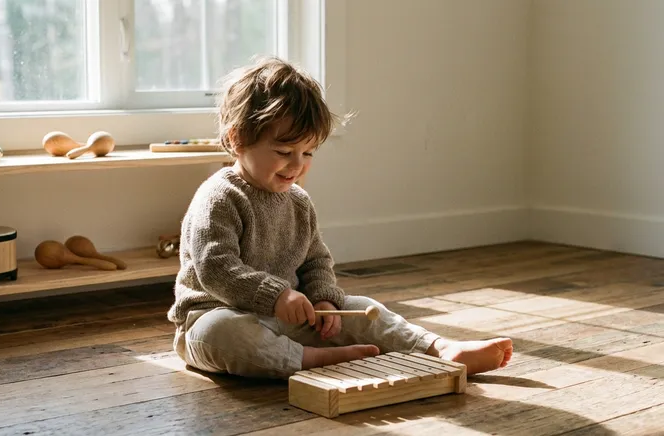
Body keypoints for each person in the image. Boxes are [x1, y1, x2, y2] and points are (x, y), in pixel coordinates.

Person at [166, 56, 512, 379]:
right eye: (284, 152)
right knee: (222, 335)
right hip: (217, 315)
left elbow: (315, 260)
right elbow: (216, 267)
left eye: (308, 152)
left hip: (289, 320)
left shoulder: (298, 201)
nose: (297, 164)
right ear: (237, 140)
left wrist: (324, 299)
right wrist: (275, 296)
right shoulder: (219, 196)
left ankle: (440, 348)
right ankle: (309, 360)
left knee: (363, 308)